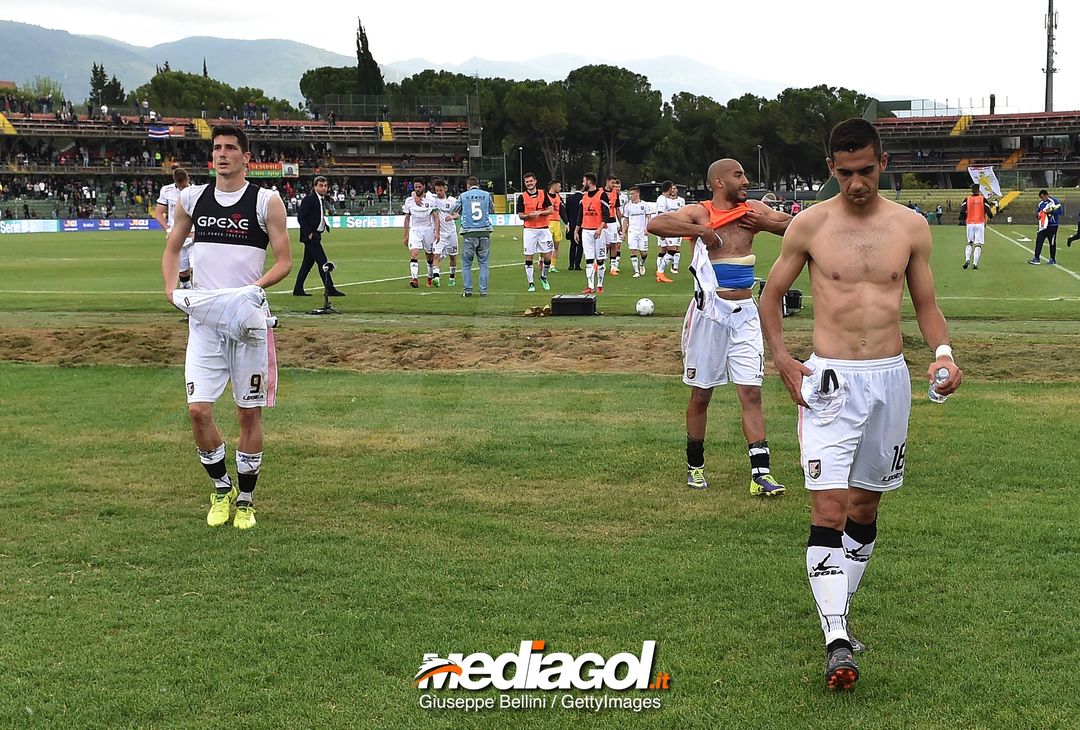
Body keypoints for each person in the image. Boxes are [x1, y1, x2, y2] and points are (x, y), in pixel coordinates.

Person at [759, 118, 963, 691]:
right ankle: (837, 641)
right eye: (845, 173)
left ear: (883, 163)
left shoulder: (911, 227)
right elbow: (770, 296)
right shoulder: (809, 225)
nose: (856, 183)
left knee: (865, 508)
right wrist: (780, 356)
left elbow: (925, 304)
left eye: (866, 171)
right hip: (829, 383)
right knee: (828, 509)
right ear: (831, 169)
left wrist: (943, 353)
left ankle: (837, 614)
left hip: (889, 380)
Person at [161, 124, 292, 530]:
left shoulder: (266, 201)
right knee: (198, 411)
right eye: (217, 148)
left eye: (231, 148)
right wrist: (170, 290)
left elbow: (284, 261)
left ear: (245, 157)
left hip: (248, 322)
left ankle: (247, 499)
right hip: (204, 322)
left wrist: (251, 291)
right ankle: (222, 489)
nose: (222, 154)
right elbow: (172, 247)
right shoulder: (192, 198)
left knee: (247, 415)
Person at [647, 158, 791, 497]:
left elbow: (794, 225)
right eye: (738, 175)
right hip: (708, 315)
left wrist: (766, 224)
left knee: (751, 392)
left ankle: (761, 474)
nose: (745, 180)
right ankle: (695, 467)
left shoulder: (752, 209)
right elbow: (656, 224)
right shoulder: (701, 212)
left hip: (744, 314)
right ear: (719, 183)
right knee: (701, 393)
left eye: (744, 174)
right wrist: (700, 232)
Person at [292, 176, 343, 296]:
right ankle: (330, 289)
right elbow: (301, 217)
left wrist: (324, 224)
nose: (324, 188)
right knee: (323, 262)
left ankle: (298, 289)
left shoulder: (320, 199)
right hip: (311, 237)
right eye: (321, 185)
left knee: (307, 264)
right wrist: (309, 233)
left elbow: (317, 216)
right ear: (315, 186)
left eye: (325, 186)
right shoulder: (310, 199)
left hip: (316, 235)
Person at [453, 176, 493, 297]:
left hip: (469, 233)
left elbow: (454, 209)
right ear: (478, 185)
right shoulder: (486, 195)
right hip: (484, 232)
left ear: (468, 186)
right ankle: (483, 291)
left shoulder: (463, 196)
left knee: (466, 264)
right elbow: (492, 209)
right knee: (484, 264)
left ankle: (468, 290)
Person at [154, 167, 193, 290]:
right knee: (183, 272)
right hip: (176, 237)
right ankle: (186, 294)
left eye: (184, 186)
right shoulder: (166, 191)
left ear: (188, 179)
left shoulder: (196, 191)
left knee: (197, 269)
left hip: (193, 236)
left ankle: (201, 299)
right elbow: (159, 213)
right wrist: (168, 230)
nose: (182, 188)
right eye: (179, 186)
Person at [516, 172, 554, 292]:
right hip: (529, 230)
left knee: (548, 257)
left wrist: (539, 213)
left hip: (543, 229)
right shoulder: (522, 197)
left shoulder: (543, 194)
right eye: (527, 182)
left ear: (535, 181)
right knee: (529, 257)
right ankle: (531, 283)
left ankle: (543, 277)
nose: (529, 183)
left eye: (531, 181)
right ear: (525, 183)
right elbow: (520, 215)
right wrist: (529, 216)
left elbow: (551, 210)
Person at [401, 177, 440, 288]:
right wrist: (405, 234)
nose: (417, 189)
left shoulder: (431, 199)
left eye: (419, 187)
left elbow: (436, 217)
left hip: (428, 230)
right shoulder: (409, 201)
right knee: (414, 254)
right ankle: (414, 279)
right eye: (415, 187)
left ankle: (429, 277)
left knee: (429, 256)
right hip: (415, 230)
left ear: (424, 186)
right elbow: (407, 218)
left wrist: (437, 232)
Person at [575, 173, 610, 294]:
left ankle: (600, 284)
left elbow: (606, 214)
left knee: (600, 260)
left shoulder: (602, 195)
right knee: (589, 260)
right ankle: (590, 286)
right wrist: (576, 230)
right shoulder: (583, 197)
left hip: (598, 231)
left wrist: (600, 228)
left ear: (589, 182)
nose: (583, 184)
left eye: (584, 181)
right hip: (586, 231)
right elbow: (580, 215)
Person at [430, 178, 459, 287]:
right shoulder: (433, 200)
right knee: (436, 255)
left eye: (440, 190)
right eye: (437, 190)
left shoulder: (452, 201)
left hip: (451, 233)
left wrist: (451, 216)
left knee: (453, 256)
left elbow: (457, 215)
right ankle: (436, 277)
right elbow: (415, 193)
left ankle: (452, 277)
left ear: (445, 189)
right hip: (439, 233)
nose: (438, 193)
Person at [654, 181, 685, 282]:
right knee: (672, 250)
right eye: (672, 187)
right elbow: (660, 215)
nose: (673, 189)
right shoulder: (662, 199)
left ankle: (660, 274)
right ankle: (660, 271)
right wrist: (661, 231)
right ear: (669, 188)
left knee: (669, 250)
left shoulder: (665, 199)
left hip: (668, 228)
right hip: (665, 228)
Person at [959, 183, 993, 270]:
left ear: (971, 190)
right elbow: (988, 211)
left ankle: (967, 259)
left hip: (970, 223)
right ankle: (975, 263)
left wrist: (965, 217)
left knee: (969, 242)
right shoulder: (983, 199)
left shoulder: (967, 199)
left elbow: (962, 211)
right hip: (980, 223)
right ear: (979, 190)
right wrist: (990, 216)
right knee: (978, 243)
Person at [621, 185, 652, 277]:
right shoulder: (627, 206)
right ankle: (636, 271)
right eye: (630, 194)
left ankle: (642, 263)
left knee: (643, 252)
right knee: (633, 250)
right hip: (632, 231)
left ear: (637, 194)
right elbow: (625, 219)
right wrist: (623, 232)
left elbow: (649, 217)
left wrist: (647, 228)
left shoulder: (644, 205)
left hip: (642, 231)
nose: (631, 196)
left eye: (632, 194)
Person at [1030, 189, 1062, 265]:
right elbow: (1038, 213)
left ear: (1047, 195)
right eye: (1041, 198)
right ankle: (1036, 258)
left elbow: (1060, 212)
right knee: (1039, 241)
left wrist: (1051, 212)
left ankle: (1052, 259)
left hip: (1052, 226)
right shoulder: (1041, 204)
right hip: (1043, 226)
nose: (1043, 199)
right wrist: (1038, 216)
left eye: (1043, 197)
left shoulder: (1054, 201)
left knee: (1052, 242)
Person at [603, 177, 624, 275]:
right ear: (607, 182)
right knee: (604, 244)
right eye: (612, 183)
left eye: (615, 184)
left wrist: (620, 224)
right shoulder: (600, 192)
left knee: (614, 244)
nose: (613, 185)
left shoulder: (615, 194)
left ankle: (613, 266)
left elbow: (617, 209)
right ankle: (601, 263)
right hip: (603, 222)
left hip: (612, 222)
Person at [547, 180, 566, 272]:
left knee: (556, 245)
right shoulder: (544, 196)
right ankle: (542, 261)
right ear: (553, 186)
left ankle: (552, 266)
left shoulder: (558, 197)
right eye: (559, 186)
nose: (560, 188)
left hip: (557, 223)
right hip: (547, 222)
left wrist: (567, 223)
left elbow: (562, 210)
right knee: (546, 245)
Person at [565, 185, 584, 270]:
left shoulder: (569, 199)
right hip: (582, 224)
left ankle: (571, 264)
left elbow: (566, 212)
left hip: (571, 224)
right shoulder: (584, 198)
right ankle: (577, 264)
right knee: (580, 245)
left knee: (573, 244)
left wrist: (568, 223)